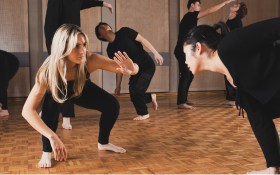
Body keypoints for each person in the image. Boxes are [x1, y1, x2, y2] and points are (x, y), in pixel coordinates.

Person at [22, 24, 139, 168]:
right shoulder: (48, 70)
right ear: (63, 47)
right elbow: (27, 111)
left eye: (84, 45)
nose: (82, 51)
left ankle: (103, 143)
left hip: (80, 87)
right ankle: (46, 152)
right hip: (59, 90)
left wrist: (133, 68)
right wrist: (53, 136)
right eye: (76, 46)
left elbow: (128, 69)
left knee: (112, 105)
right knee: (49, 114)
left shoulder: (90, 59)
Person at [183, 17, 280, 174]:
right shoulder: (235, 83)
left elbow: (276, 26)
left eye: (186, 53)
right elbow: (259, 120)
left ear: (199, 48)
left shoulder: (231, 44)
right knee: (257, 114)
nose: (185, 60)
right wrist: (274, 167)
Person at [44, 0, 113, 130]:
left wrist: (103, 3)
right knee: (62, 83)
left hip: (75, 43)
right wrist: (53, 53)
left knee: (75, 80)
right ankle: (61, 116)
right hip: (62, 47)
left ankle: (62, 115)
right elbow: (49, 26)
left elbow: (84, 3)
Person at [95, 22, 164, 121]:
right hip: (134, 71)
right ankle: (150, 97)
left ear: (110, 27)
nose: (103, 27)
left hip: (146, 66)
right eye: (100, 28)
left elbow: (143, 40)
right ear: (100, 36)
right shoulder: (110, 50)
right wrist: (118, 86)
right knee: (133, 94)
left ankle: (144, 113)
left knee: (136, 90)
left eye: (105, 25)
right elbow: (119, 68)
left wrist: (156, 53)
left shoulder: (124, 31)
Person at [174, 0, 236, 110]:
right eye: (198, 5)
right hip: (182, 50)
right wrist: (225, 3)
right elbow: (209, 11)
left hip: (183, 50)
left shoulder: (189, 18)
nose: (200, 7)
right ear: (192, 5)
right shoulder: (190, 15)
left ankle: (183, 99)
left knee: (189, 74)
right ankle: (181, 102)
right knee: (185, 75)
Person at [224, 1, 247, 107]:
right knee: (226, 72)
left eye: (236, 6)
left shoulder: (237, 22)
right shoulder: (230, 19)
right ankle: (232, 98)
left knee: (231, 74)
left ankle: (235, 99)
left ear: (237, 11)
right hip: (227, 49)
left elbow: (237, 38)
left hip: (233, 51)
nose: (233, 5)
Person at [0, 50, 19, 117]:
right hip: (6, 61)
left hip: (11, 63)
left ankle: (4, 110)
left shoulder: (3, 58)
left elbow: (3, 84)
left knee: (2, 84)